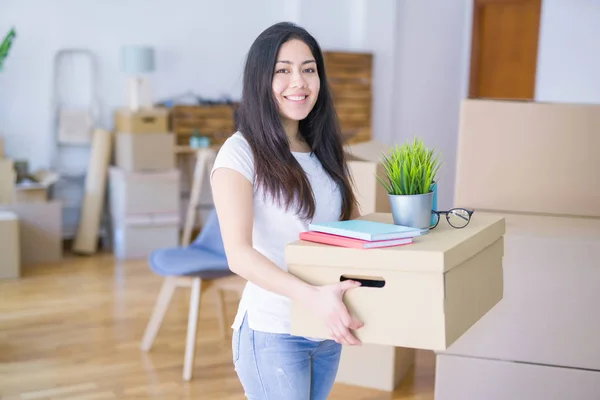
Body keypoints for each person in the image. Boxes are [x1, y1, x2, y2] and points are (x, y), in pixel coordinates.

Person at [210, 21, 363, 400]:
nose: (299, 82)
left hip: (325, 326)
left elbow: (342, 229)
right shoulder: (240, 153)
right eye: (283, 70)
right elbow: (238, 256)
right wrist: (311, 296)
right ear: (261, 79)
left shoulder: (322, 148)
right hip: (275, 331)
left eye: (309, 69)